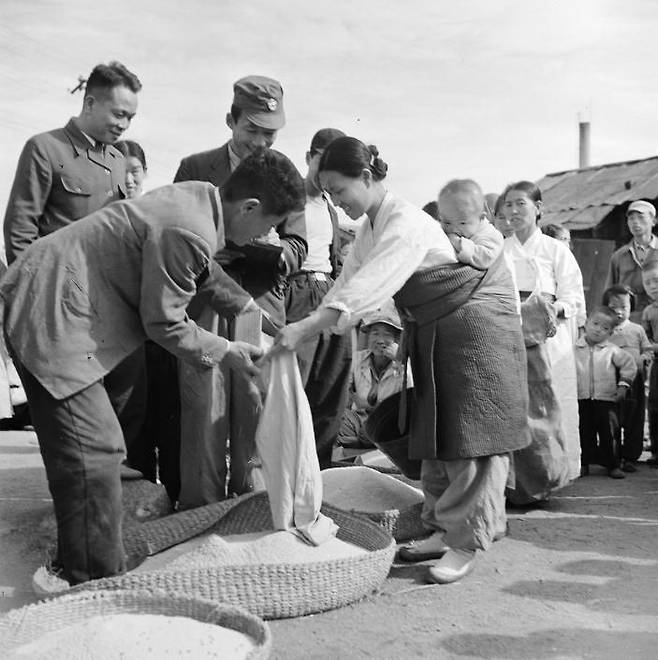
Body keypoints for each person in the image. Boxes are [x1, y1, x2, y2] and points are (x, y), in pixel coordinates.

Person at [0, 148, 305, 588]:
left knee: (93, 452)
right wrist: (226, 350)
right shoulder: (190, 227)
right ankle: (94, 585)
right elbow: (164, 323)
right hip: (50, 311)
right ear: (250, 208)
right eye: (269, 226)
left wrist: (249, 308)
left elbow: (204, 275)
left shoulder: (201, 198)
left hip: (63, 303)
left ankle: (77, 563)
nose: (268, 236)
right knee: (95, 452)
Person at [272, 137, 529, 584]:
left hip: (473, 331)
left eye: (341, 189)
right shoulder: (373, 224)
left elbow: (370, 284)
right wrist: (306, 326)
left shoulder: (405, 222)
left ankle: (465, 540)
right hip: (435, 331)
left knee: (470, 439)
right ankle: (440, 528)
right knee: (433, 435)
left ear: (368, 178)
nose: (338, 201)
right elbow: (348, 280)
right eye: (328, 193)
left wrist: (306, 328)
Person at [173, 75, 308, 506]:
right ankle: (203, 509)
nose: (262, 142)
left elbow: (296, 246)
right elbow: (180, 237)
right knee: (203, 408)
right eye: (253, 130)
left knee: (257, 406)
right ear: (231, 121)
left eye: (271, 133)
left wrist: (258, 249)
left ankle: (254, 507)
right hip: (206, 303)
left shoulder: (286, 172)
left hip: (259, 306)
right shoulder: (195, 167)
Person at [3, 61, 141, 264]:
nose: (124, 125)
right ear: (90, 104)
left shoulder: (118, 160)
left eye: (130, 118)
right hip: (56, 289)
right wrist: (36, 291)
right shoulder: (45, 148)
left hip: (106, 290)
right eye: (119, 114)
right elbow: (19, 232)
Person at [502, 181, 586, 503]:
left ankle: (554, 475)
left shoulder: (555, 250)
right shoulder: (499, 249)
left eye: (520, 203)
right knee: (516, 407)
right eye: (508, 204)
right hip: (510, 335)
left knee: (551, 404)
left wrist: (551, 309)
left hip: (550, 338)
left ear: (538, 208)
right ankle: (518, 484)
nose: (513, 211)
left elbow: (573, 297)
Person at [284, 128, 353, 467]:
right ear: (308, 157)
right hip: (296, 292)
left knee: (333, 385)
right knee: (296, 387)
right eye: (321, 161)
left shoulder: (331, 206)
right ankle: (291, 472)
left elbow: (336, 255)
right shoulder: (287, 195)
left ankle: (321, 472)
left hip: (330, 290)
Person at [335, 306, 408, 451]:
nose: (380, 340)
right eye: (375, 333)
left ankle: (359, 443)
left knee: (372, 434)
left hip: (387, 424)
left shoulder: (405, 364)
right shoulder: (358, 360)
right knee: (336, 421)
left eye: (387, 334)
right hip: (359, 420)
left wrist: (400, 361)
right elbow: (343, 393)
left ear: (396, 340)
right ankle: (358, 444)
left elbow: (411, 397)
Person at [575, 306, 636, 479]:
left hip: (606, 399)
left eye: (605, 328)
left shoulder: (612, 350)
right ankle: (583, 463)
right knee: (583, 432)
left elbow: (629, 364)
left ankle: (613, 465)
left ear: (610, 333)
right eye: (595, 324)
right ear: (586, 323)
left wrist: (623, 385)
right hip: (582, 398)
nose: (598, 329)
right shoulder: (574, 348)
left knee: (609, 433)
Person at [603, 284, 652, 472]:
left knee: (635, 418)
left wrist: (643, 358)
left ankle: (630, 457)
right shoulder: (605, 329)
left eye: (624, 307)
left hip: (635, 381)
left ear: (631, 307)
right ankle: (613, 458)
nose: (619, 312)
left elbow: (647, 350)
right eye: (613, 307)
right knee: (611, 419)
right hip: (611, 380)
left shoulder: (637, 330)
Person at [606, 200, 658, 323]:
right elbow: (610, 293)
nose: (635, 222)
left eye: (641, 217)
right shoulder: (619, 256)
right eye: (631, 218)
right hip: (630, 321)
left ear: (654, 221)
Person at [438, 179, 504, 270]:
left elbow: (485, 259)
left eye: (462, 223)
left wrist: (458, 243)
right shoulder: (443, 230)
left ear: (481, 217)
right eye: (447, 222)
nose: (453, 229)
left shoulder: (492, 235)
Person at [641, 265, 658, 466]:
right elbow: (645, 340)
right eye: (648, 282)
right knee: (654, 404)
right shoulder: (648, 311)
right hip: (657, 362)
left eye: (656, 280)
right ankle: (656, 450)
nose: (653, 286)